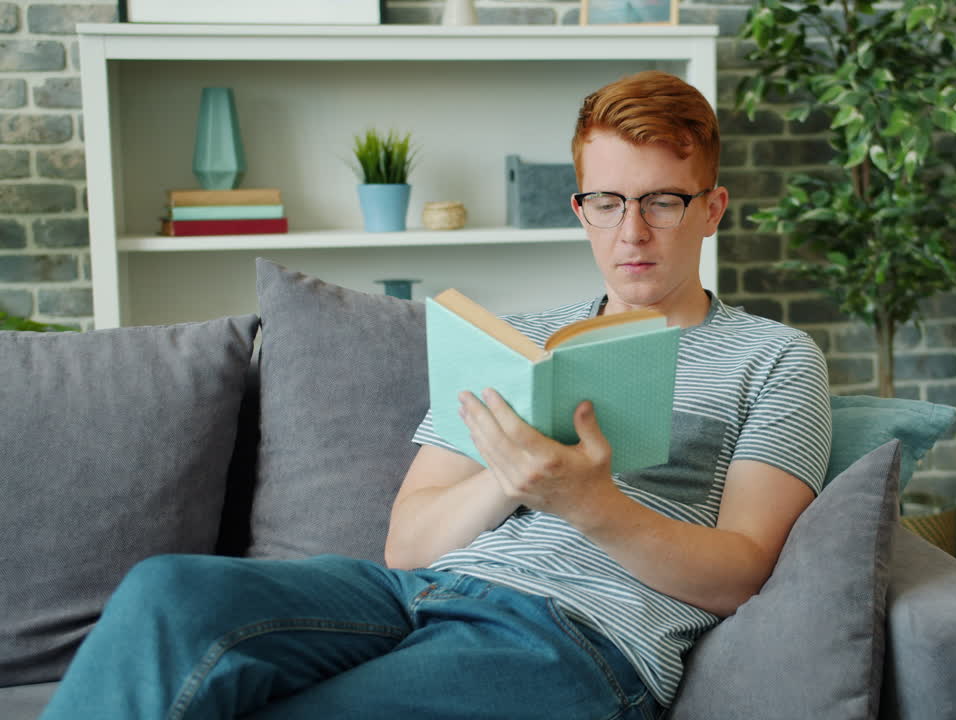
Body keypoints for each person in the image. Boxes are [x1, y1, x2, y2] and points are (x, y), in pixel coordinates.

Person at [40, 70, 832, 720]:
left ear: (713, 209)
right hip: (411, 593)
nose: (633, 231)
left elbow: (741, 572)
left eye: (664, 200)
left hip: (575, 637)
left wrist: (589, 503)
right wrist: (515, 475)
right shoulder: (518, 342)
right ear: (580, 209)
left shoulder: (774, 358)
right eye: (608, 201)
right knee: (168, 591)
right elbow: (408, 543)